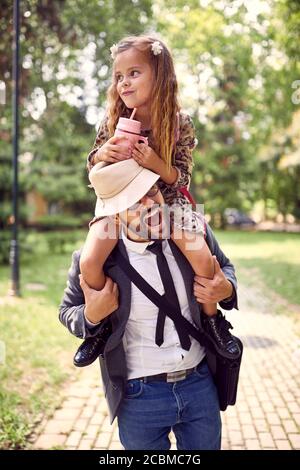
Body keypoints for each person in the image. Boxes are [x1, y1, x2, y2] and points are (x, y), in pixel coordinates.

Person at [75, 34, 239, 366]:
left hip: (166, 201)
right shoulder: (112, 122)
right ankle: (101, 328)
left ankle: (213, 321)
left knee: (203, 260)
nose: (124, 83)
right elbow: (96, 169)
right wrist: (101, 154)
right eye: (119, 76)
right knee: (89, 261)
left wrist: (153, 162)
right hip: (120, 203)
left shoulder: (180, 123)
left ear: (159, 74)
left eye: (134, 73)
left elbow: (181, 177)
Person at [59, 159, 239, 450]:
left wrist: (226, 288)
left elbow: (226, 267)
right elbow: (67, 312)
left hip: (199, 384)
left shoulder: (194, 236)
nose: (149, 204)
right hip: (139, 395)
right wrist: (92, 314)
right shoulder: (96, 260)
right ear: (115, 215)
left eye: (151, 192)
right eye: (134, 202)